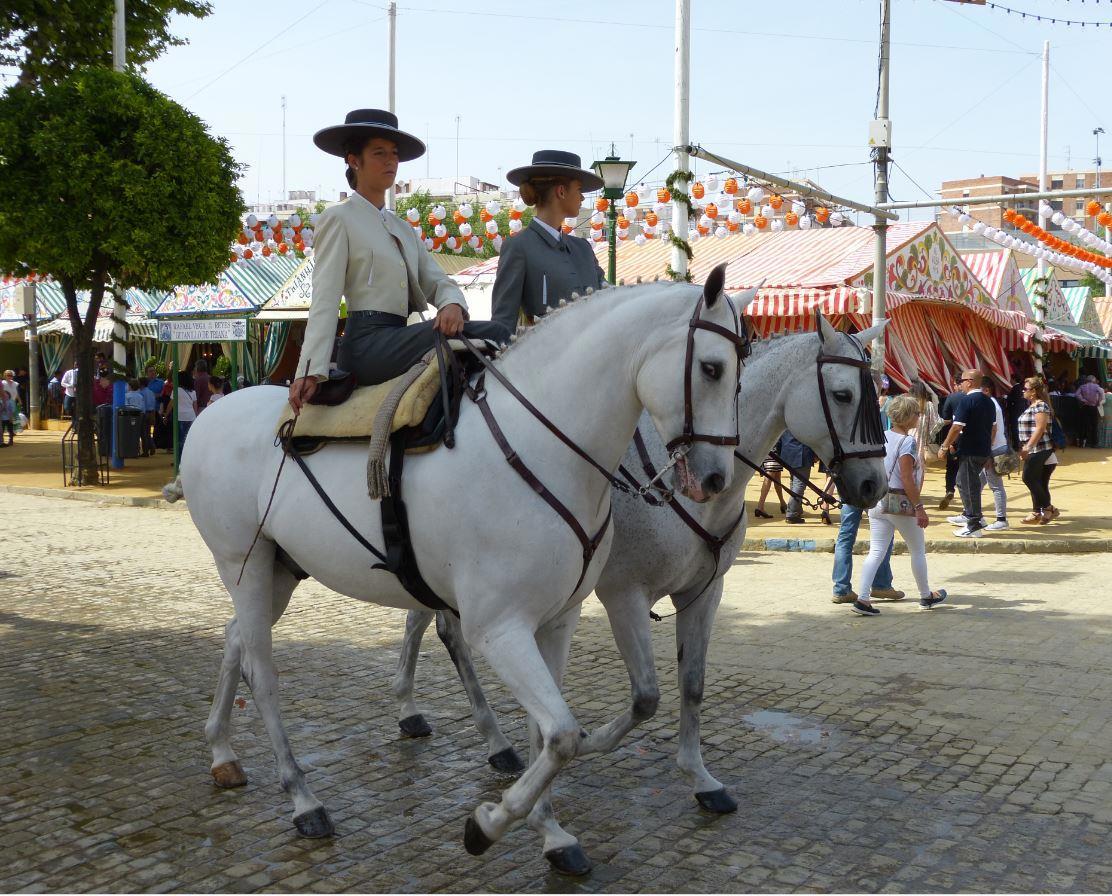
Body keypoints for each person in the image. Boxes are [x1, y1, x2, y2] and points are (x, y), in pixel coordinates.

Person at [288, 109, 509, 413]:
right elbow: (325, 298)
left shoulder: (403, 228)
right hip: (366, 346)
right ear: (354, 160)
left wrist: (451, 304)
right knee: (496, 335)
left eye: (394, 154)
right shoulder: (338, 218)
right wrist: (310, 370)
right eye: (379, 153)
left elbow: (437, 280)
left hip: (399, 336)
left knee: (492, 335)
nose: (391, 161)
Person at [490, 150, 607, 334]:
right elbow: (503, 323)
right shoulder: (519, 246)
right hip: (544, 350)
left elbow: (609, 298)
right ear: (561, 191)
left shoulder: (583, 248)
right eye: (579, 189)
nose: (582, 197)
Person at [852, 395, 946, 617]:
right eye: (916, 413)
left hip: (878, 499)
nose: (918, 417)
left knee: (876, 551)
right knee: (917, 550)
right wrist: (919, 507)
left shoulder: (881, 437)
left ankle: (863, 598)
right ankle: (925, 595)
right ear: (907, 416)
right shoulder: (907, 442)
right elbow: (906, 478)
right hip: (900, 502)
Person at [936, 369, 995, 538]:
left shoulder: (967, 400)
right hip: (982, 450)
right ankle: (974, 517)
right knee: (965, 483)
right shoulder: (989, 401)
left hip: (970, 450)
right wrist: (988, 449)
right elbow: (993, 428)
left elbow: (956, 427)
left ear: (969, 382)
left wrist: (944, 446)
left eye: (961, 381)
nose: (959, 384)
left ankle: (974, 523)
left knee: (968, 485)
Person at [955, 379, 1009, 532]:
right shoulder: (990, 403)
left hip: (993, 448)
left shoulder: (989, 403)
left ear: (986, 390)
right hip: (990, 448)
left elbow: (993, 430)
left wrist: (988, 451)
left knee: (994, 485)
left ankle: (1000, 519)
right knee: (975, 482)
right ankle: (972, 514)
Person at [831, 502, 903, 604]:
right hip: (873, 496)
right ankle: (881, 585)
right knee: (883, 535)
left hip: (849, 495)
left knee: (845, 538)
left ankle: (841, 590)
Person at [1018, 376, 1059, 525]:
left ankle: (1048, 508)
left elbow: (1040, 428)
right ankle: (1038, 511)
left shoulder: (1040, 406)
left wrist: (1028, 447)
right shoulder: (1034, 405)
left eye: (1025, 389)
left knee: (1028, 478)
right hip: (1037, 449)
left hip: (1039, 448)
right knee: (1039, 482)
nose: (1023, 391)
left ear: (1034, 391)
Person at [935, 376, 964, 510]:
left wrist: (947, 443)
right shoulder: (975, 398)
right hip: (971, 437)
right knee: (967, 468)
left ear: (957, 384)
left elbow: (945, 418)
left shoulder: (952, 398)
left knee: (951, 466)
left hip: (955, 435)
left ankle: (950, 490)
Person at [778, 431, 814, 524]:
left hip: (787, 452)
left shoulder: (788, 423)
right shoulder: (804, 423)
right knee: (799, 484)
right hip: (801, 454)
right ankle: (792, 513)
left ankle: (797, 509)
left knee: (794, 481)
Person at [165, 371, 197, 466]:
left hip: (180, 417)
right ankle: (188, 461)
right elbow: (195, 406)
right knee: (189, 440)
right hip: (191, 417)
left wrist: (166, 415)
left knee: (179, 441)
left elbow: (171, 404)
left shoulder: (176, 390)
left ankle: (179, 461)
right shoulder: (193, 391)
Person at [752, 453, 786, 518]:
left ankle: (782, 503)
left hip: (769, 453)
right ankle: (760, 506)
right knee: (770, 477)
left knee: (776, 477)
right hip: (774, 452)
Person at [1076, 375, 1105, 449]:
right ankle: (1094, 443)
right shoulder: (1096, 387)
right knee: (1094, 425)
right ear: (1093, 380)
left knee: (1083, 424)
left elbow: (1077, 394)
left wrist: (1083, 400)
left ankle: (1082, 443)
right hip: (1093, 407)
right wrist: (1099, 401)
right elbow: (1102, 393)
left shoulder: (1082, 386)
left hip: (1085, 407)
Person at [138, 376, 157, 456]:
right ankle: (152, 447)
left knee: (143, 433)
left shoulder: (140, 393)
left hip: (144, 413)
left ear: (141, 384)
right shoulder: (151, 392)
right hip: (151, 412)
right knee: (148, 432)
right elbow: (154, 403)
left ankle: (145, 451)